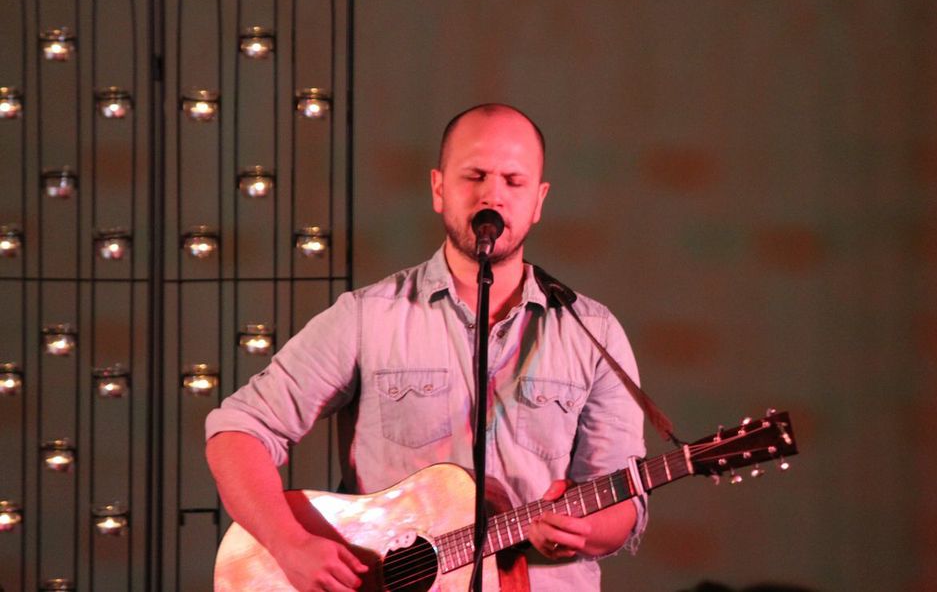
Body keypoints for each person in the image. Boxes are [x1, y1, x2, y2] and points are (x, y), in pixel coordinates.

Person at [205, 103, 647, 591]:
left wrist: (586, 529)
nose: (492, 195)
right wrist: (289, 544)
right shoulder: (366, 317)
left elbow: (623, 501)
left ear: (539, 201)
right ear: (438, 188)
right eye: (474, 176)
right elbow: (237, 431)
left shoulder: (594, 333)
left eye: (513, 181)